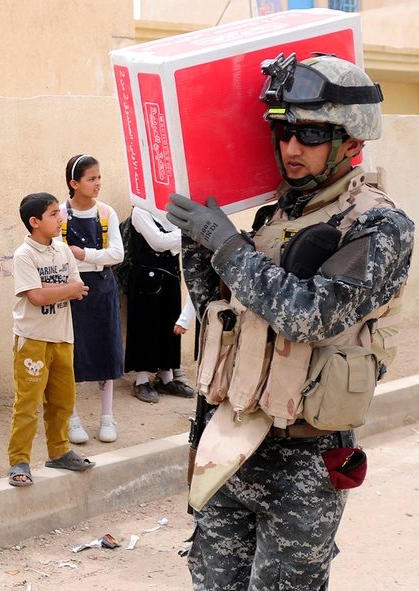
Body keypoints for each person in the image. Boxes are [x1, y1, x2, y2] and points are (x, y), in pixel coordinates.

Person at [165, 54, 413, 589]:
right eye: (283, 132)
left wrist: (227, 245)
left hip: (305, 459)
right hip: (230, 442)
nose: (291, 148)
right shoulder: (273, 216)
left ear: (351, 142)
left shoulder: (379, 226)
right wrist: (196, 240)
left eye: (311, 133)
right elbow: (220, 314)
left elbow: (311, 317)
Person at [7, 193, 93, 486]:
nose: (61, 219)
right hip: (32, 339)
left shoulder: (63, 251)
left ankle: (59, 452)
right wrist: (63, 289)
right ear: (34, 222)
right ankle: (19, 460)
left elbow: (79, 288)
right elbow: (36, 297)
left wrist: (55, 288)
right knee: (28, 404)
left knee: (63, 401)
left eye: (60, 212)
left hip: (62, 338)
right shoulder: (24, 255)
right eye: (54, 214)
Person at [61, 154, 124, 444]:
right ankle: (72, 419)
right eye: (91, 178)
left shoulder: (106, 212)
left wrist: (84, 255)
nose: (98, 183)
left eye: (99, 177)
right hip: (70, 291)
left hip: (102, 290)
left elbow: (118, 255)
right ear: (74, 183)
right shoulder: (59, 213)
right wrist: (99, 260)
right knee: (71, 354)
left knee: (106, 349)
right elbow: (56, 255)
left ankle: (107, 417)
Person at [122, 207, 197, 403]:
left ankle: (167, 378)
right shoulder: (140, 211)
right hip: (145, 278)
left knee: (169, 323)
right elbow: (158, 242)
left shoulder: (171, 212)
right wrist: (185, 233)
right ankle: (141, 380)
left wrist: (174, 238)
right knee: (145, 324)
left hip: (170, 274)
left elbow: (170, 243)